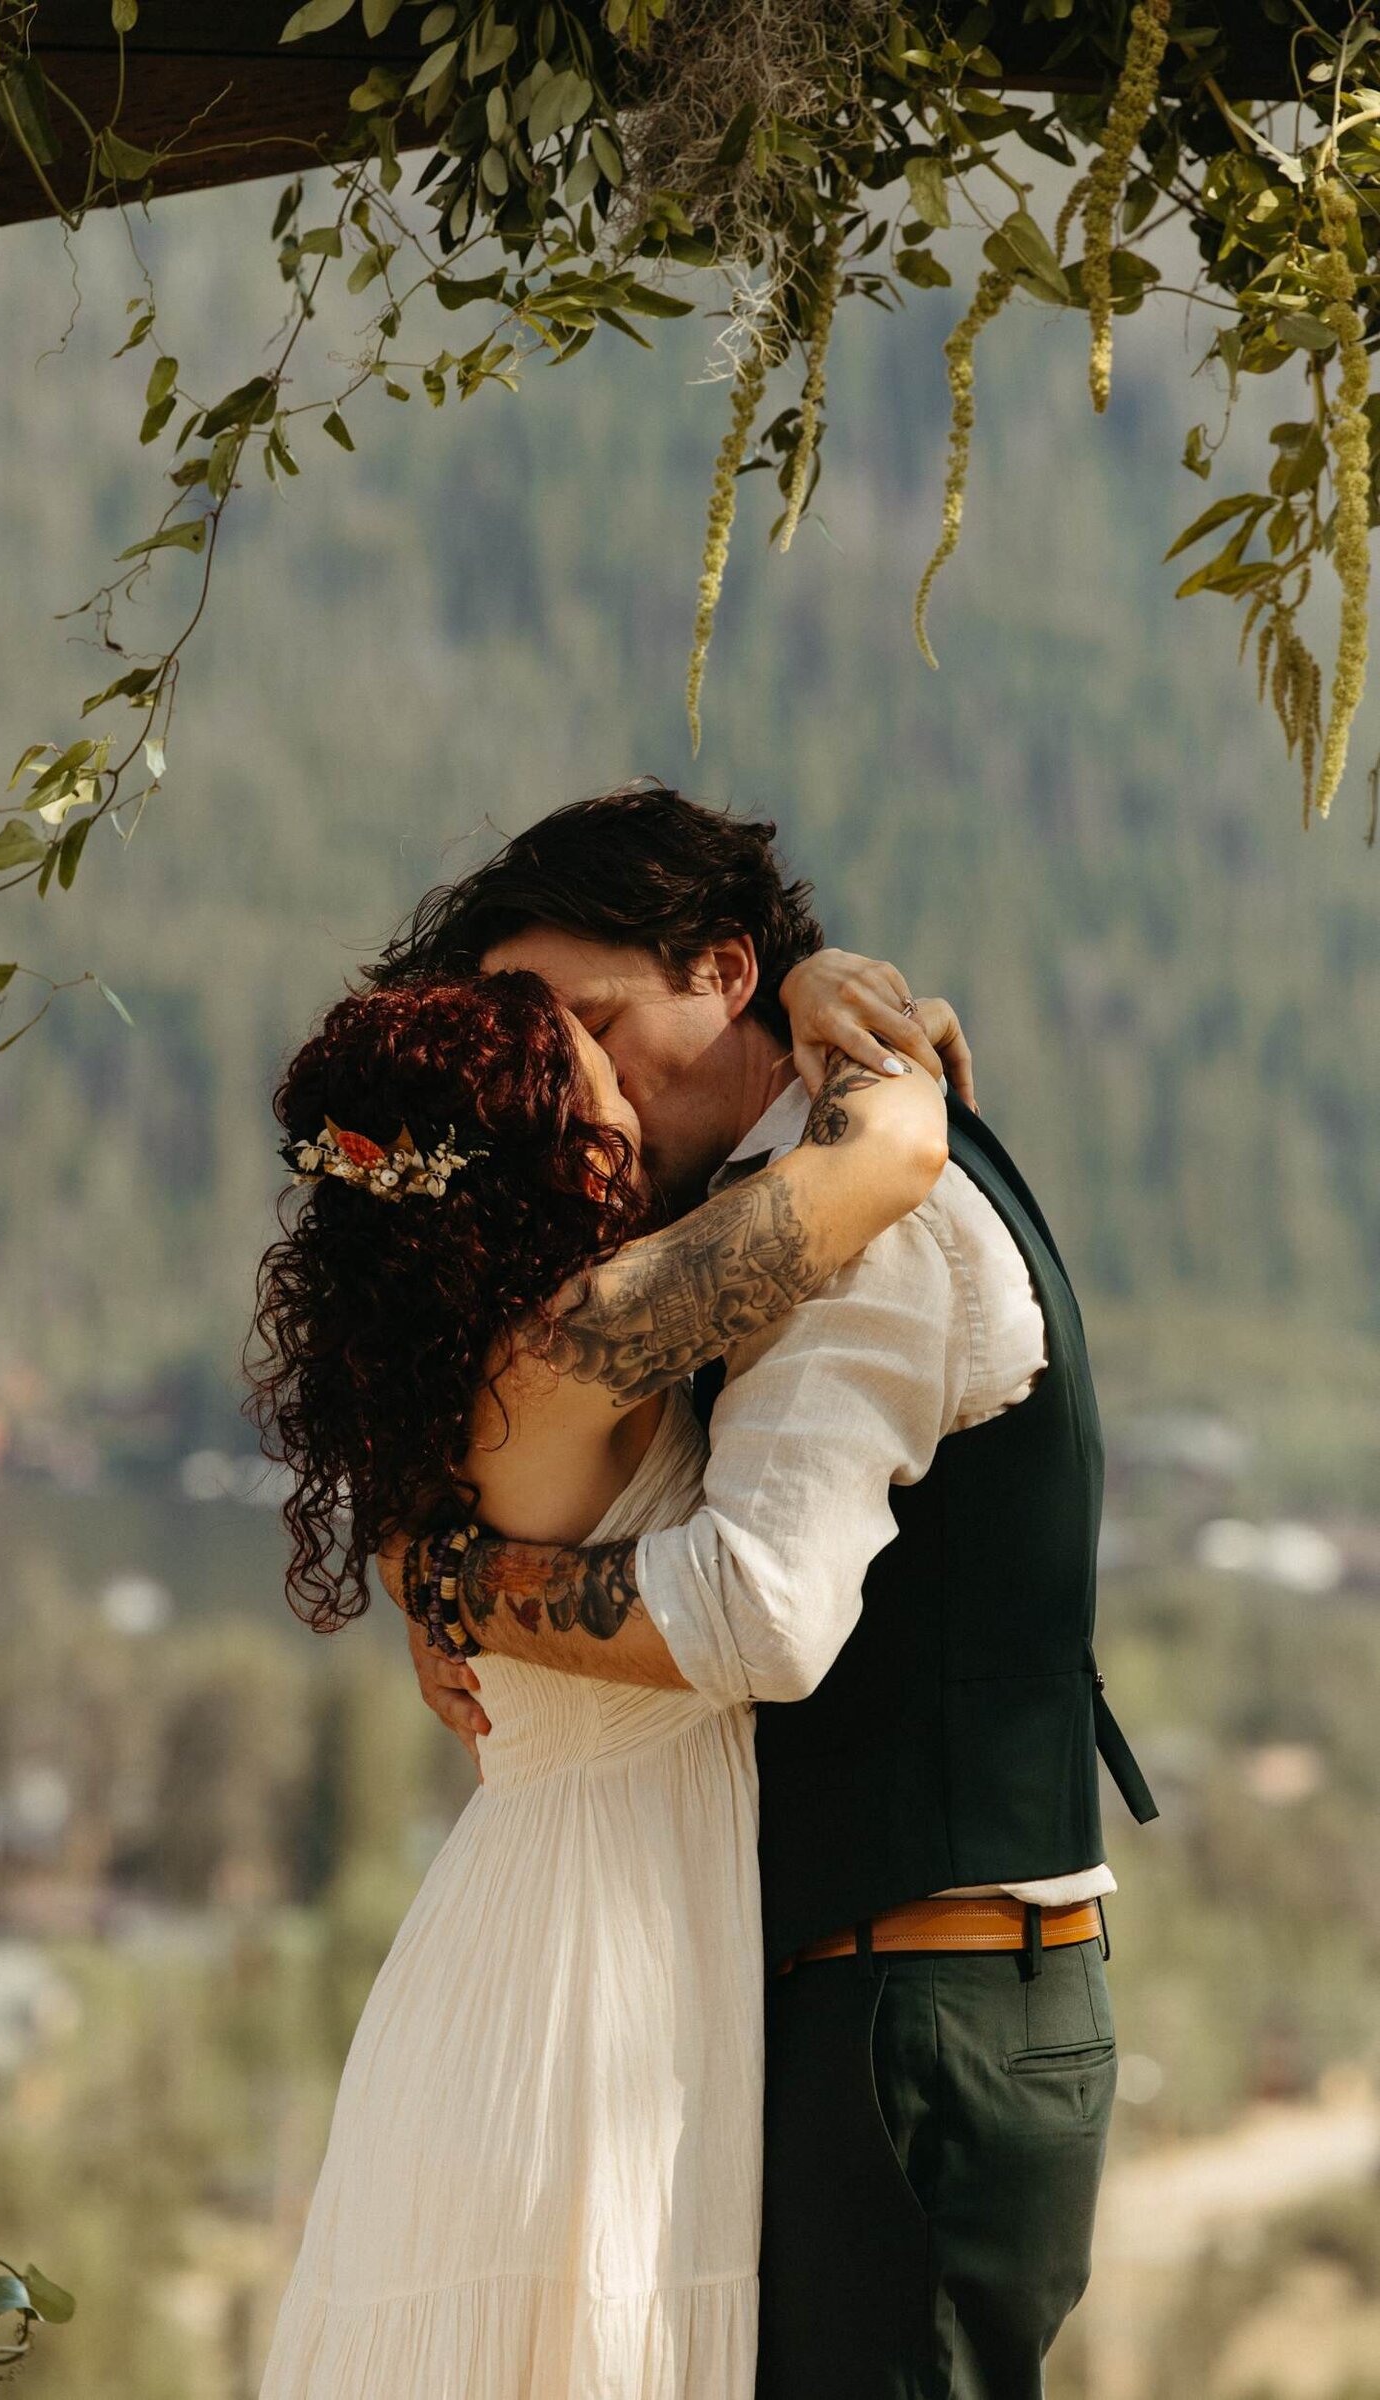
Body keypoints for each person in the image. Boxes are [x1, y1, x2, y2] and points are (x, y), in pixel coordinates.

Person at [379, 781, 1158, 2400]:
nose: (575, 1069)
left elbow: (755, 1616)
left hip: (917, 2013)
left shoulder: (864, 1229)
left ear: (724, 972)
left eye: (591, 1015)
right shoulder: (756, 1213)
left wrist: (457, 1579)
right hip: (879, 1995)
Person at [246, 959, 949, 2399]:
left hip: (527, 1921)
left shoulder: (447, 1381)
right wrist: (820, 987)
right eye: (604, 1078)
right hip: (592, 1968)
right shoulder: (587, 1339)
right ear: (549, 1145)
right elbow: (896, 1151)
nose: (638, 1099)